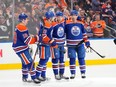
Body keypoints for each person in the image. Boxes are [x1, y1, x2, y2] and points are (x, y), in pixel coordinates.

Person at [12, 13, 41, 84]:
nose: (27, 20)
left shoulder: (19, 26)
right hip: (21, 48)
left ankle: (24, 77)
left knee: (25, 63)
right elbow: (27, 40)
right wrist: (36, 39)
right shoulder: (22, 28)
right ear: (23, 20)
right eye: (26, 19)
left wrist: (34, 37)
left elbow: (25, 37)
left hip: (20, 47)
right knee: (30, 62)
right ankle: (34, 78)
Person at [65, 10, 90, 79]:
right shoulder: (67, 24)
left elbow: (84, 34)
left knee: (81, 58)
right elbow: (63, 34)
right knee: (72, 59)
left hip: (80, 45)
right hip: (71, 45)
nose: (73, 16)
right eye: (72, 15)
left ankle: (83, 72)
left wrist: (87, 42)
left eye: (75, 15)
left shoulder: (81, 24)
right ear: (70, 16)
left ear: (77, 16)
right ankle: (73, 73)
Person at [36, 11, 58, 81]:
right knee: (43, 60)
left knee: (45, 59)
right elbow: (44, 35)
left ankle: (43, 75)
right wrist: (51, 41)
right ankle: (37, 75)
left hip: (46, 44)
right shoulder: (47, 24)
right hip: (44, 44)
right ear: (50, 17)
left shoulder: (46, 22)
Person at [51, 11, 69, 80]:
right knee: (55, 59)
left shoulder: (63, 24)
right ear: (56, 17)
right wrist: (52, 42)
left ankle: (62, 74)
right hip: (55, 45)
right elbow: (50, 35)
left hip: (62, 44)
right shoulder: (53, 24)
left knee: (62, 60)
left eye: (61, 16)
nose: (60, 18)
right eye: (58, 16)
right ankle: (56, 74)